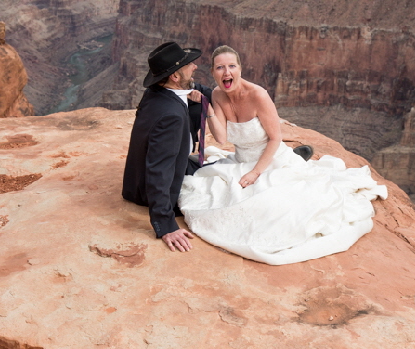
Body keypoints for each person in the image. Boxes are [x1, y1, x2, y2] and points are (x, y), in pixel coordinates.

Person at [178, 45, 388, 265]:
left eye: (231, 66)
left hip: (272, 162)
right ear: (213, 72)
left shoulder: (258, 95)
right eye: (220, 68)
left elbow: (275, 139)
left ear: (240, 68)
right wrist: (207, 108)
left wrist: (256, 173)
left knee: (274, 208)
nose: (226, 72)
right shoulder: (218, 95)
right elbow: (221, 138)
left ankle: (297, 159)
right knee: (208, 193)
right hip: (240, 161)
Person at [121, 41, 203, 252]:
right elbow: (159, 169)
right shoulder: (170, 116)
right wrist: (165, 224)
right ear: (175, 77)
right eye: (188, 65)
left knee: (225, 167)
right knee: (232, 185)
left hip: (148, 176)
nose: (194, 67)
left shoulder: (156, 93)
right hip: (155, 191)